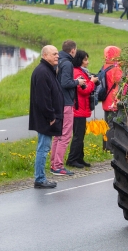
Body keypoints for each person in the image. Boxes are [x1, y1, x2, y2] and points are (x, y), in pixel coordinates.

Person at [29, 45, 64, 189]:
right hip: (46, 118)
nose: (57, 56)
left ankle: (41, 177)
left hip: (47, 116)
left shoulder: (48, 70)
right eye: (54, 54)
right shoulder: (43, 72)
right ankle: (40, 178)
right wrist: (51, 116)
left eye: (57, 54)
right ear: (45, 55)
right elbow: (43, 98)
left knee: (43, 147)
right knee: (43, 148)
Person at [52, 40, 85, 176]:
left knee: (57, 135)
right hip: (66, 102)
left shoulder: (58, 61)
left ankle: (53, 164)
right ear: (72, 51)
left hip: (57, 101)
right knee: (65, 135)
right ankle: (58, 166)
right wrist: (78, 82)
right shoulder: (67, 63)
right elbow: (65, 83)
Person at [66, 50, 98, 168]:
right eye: (85, 60)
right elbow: (84, 90)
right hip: (78, 108)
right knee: (78, 135)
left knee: (80, 134)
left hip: (80, 108)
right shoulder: (77, 73)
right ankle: (72, 159)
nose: (87, 62)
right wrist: (92, 82)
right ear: (79, 60)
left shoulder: (80, 72)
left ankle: (79, 158)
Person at [101, 46, 122, 151]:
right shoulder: (116, 68)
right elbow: (120, 81)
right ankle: (110, 148)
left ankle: (105, 146)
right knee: (112, 125)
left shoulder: (104, 66)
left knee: (106, 124)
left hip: (105, 99)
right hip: (113, 99)